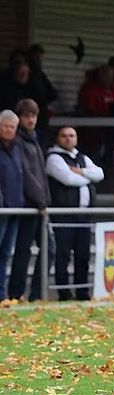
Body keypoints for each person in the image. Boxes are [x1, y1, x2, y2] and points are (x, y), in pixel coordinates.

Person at [46, 126, 104, 301]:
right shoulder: (54, 158)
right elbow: (68, 179)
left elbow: (100, 174)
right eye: (64, 136)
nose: (68, 139)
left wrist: (82, 172)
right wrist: (88, 177)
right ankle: (63, 292)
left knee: (83, 255)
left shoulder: (81, 158)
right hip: (63, 214)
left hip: (83, 215)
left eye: (72, 135)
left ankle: (82, 291)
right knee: (62, 254)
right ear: (57, 138)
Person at [8, 99, 50, 301]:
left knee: (48, 247)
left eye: (34, 115)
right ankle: (17, 292)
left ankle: (36, 292)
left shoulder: (34, 140)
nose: (31, 119)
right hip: (28, 205)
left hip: (39, 204)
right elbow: (25, 174)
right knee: (23, 250)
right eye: (27, 116)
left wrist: (45, 199)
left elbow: (41, 174)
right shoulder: (18, 141)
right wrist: (41, 201)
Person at [0, 110, 24, 300]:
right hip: (2, 209)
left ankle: (1, 294)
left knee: (6, 253)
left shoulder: (17, 149)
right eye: (6, 126)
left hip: (15, 207)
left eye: (12, 127)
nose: (9, 130)